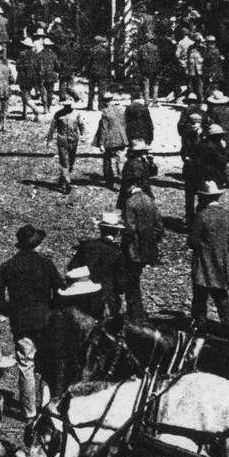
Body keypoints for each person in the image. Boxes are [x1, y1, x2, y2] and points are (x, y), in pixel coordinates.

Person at [0, 224, 64, 422]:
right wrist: (53, 309)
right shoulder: (46, 264)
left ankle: (29, 411)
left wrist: (10, 311)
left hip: (21, 324)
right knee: (48, 366)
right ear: (37, 245)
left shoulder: (8, 266)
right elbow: (60, 290)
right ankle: (48, 408)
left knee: (26, 365)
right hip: (45, 322)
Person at [188, 180, 229, 340]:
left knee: (200, 299)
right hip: (222, 263)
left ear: (204, 198)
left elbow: (192, 241)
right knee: (222, 297)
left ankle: (199, 329)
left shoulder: (201, 216)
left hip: (203, 263)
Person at [123, 181, 163, 322]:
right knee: (136, 279)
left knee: (131, 283)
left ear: (131, 187)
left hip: (134, 250)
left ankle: (135, 315)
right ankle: (138, 313)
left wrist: (124, 244)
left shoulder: (130, 202)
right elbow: (159, 227)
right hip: (148, 249)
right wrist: (151, 241)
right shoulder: (150, 200)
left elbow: (130, 228)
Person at [93, 92, 128, 190]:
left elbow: (104, 129)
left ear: (104, 101)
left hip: (110, 140)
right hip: (121, 139)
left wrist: (101, 144)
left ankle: (109, 180)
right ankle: (122, 181)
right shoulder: (121, 110)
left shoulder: (105, 112)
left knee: (107, 159)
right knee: (120, 160)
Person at [46, 101, 82, 195]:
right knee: (64, 162)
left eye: (68, 105)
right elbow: (52, 127)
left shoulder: (76, 114)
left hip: (74, 140)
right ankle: (67, 183)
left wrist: (82, 136)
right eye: (65, 105)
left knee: (71, 162)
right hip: (62, 141)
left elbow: (81, 125)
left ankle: (63, 180)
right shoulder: (58, 114)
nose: (67, 107)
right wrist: (49, 140)